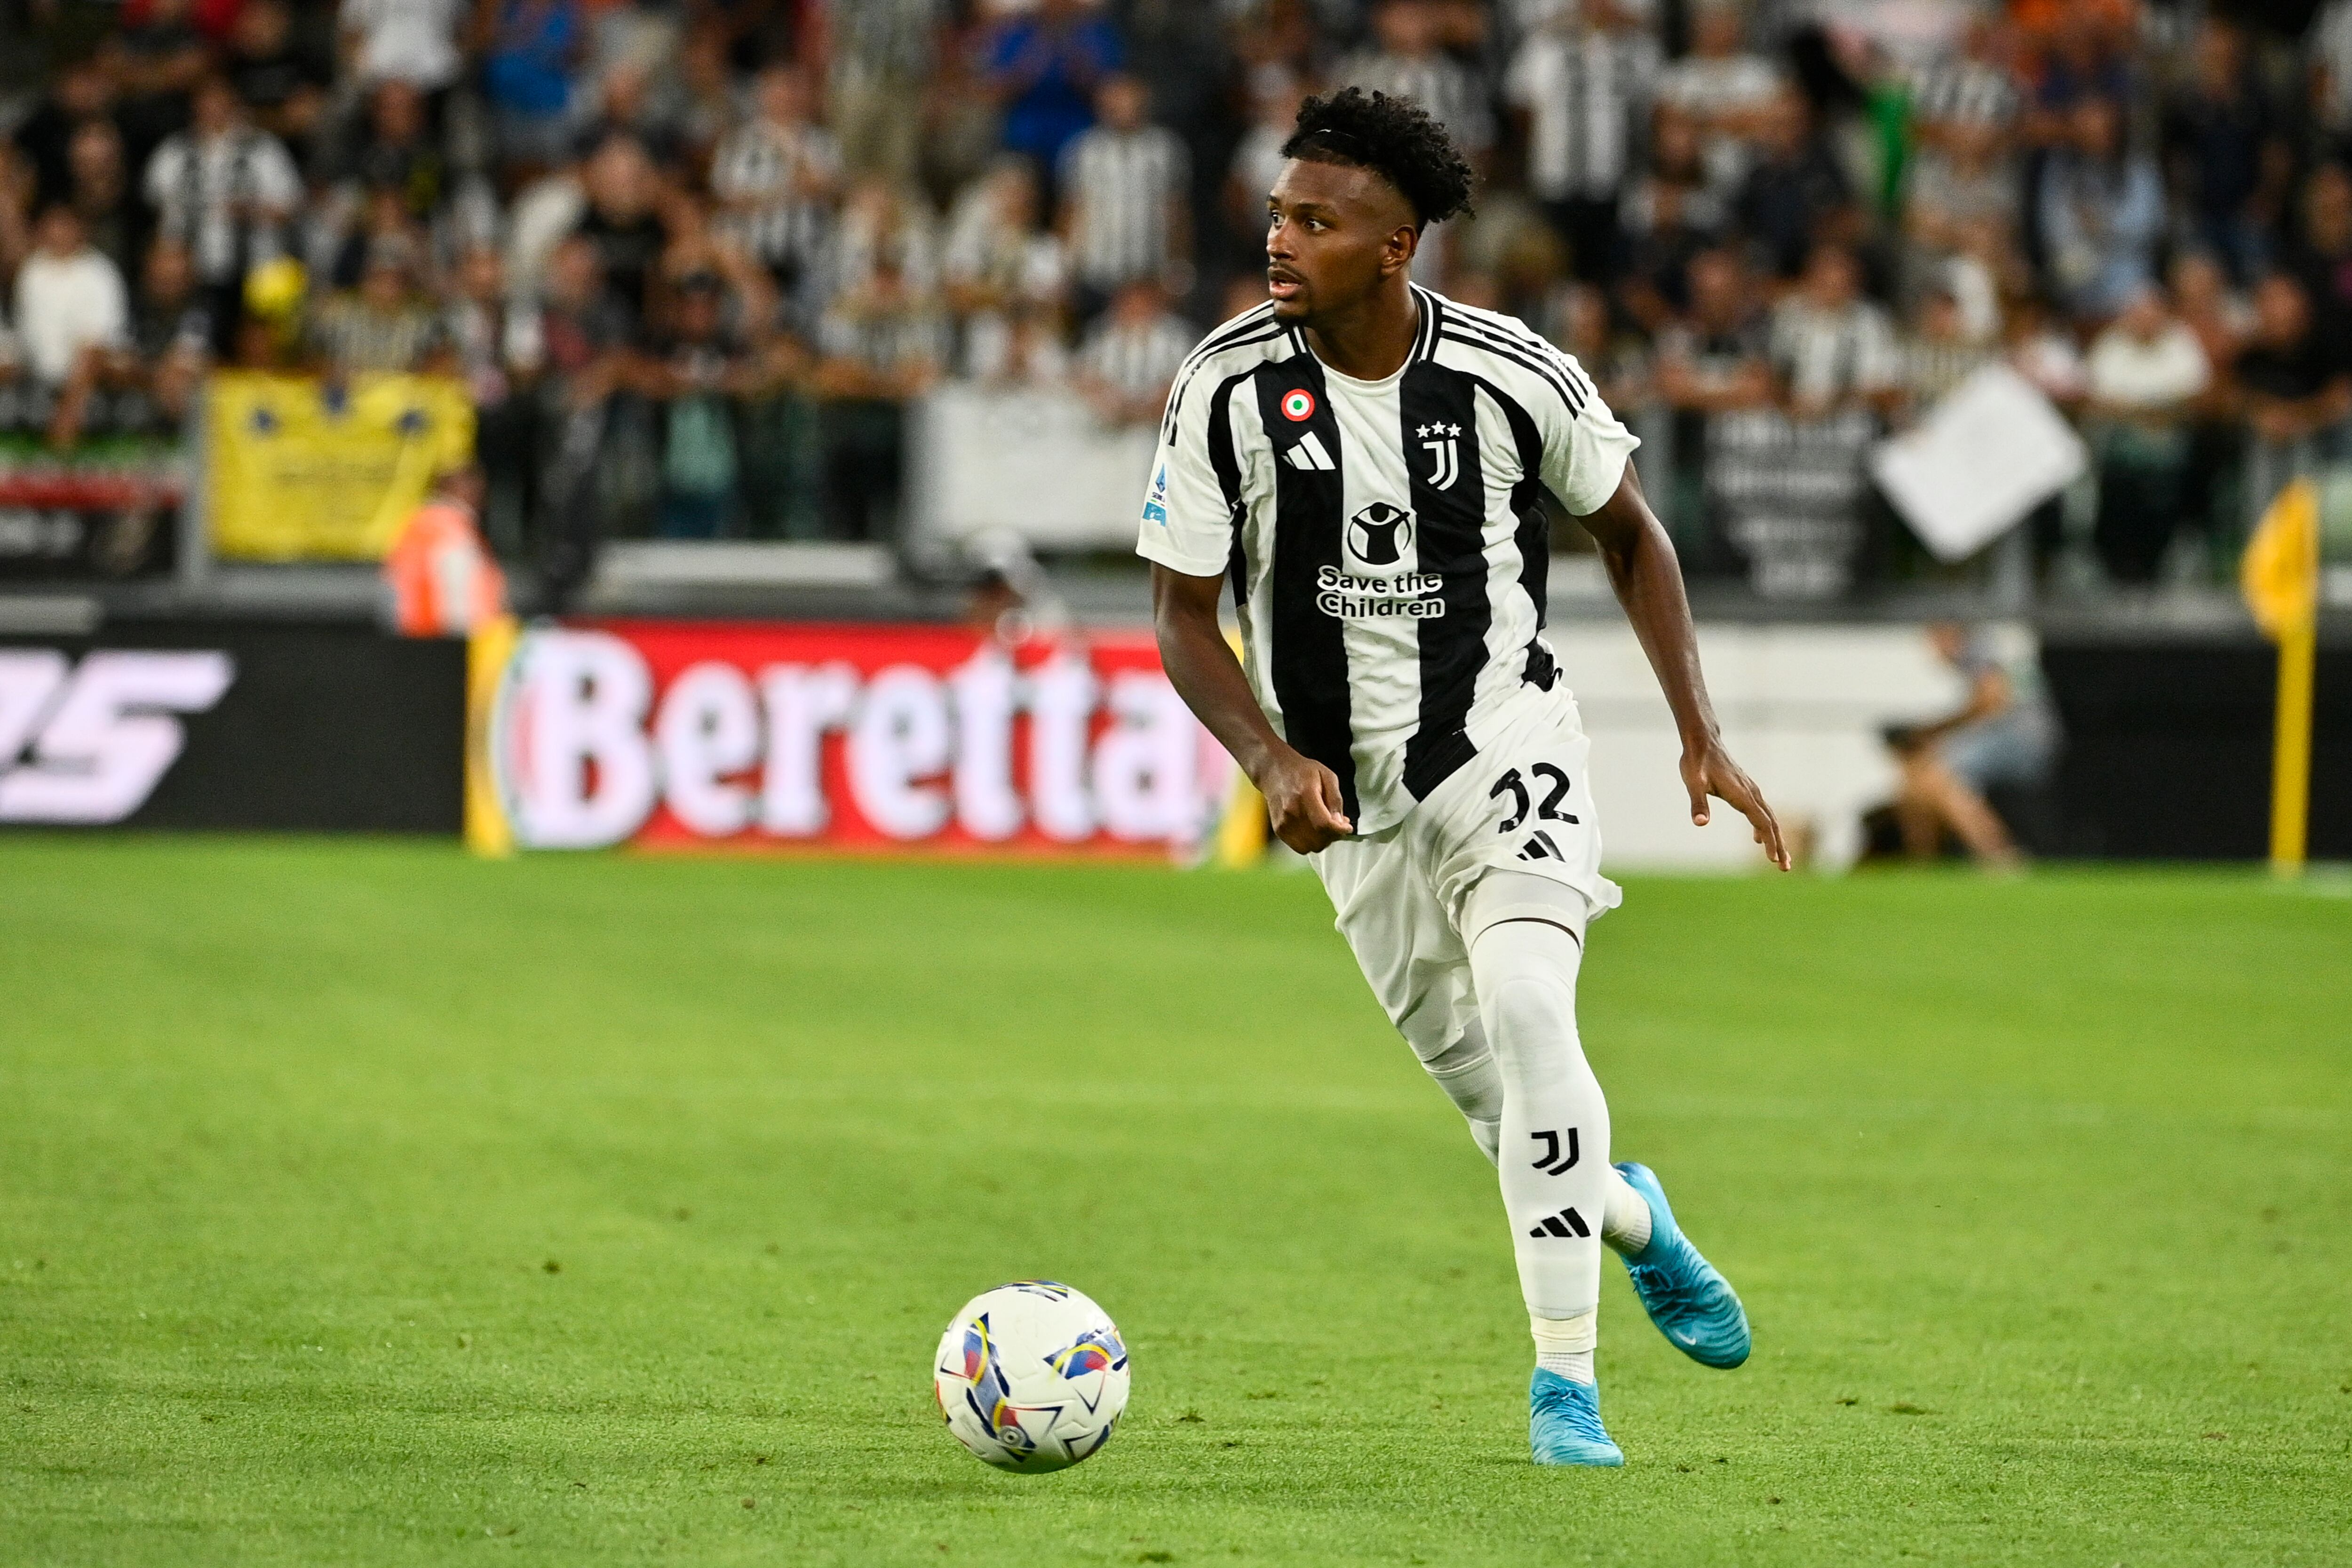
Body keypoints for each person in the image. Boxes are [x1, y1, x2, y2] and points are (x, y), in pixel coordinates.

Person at [1139, 87, 1784, 1469]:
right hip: (1349, 812)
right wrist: (1267, 757)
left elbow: (1631, 534)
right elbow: (1181, 614)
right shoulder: (1222, 388)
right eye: (1277, 214)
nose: (1281, 239)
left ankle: (1567, 1390)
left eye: (1317, 221)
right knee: (1508, 1114)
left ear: (1395, 245)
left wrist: (1699, 731)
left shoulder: (1512, 372)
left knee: (1530, 1006)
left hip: (1502, 744)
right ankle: (1634, 1218)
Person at [1885, 622, 2060, 868]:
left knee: (1938, 774)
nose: (1933, 646)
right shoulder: (1984, 643)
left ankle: (2001, 859)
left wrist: (1932, 731)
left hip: (2025, 739)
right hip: (2016, 735)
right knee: (1915, 774)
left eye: (1935, 636)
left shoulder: (1979, 645)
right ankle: (1922, 865)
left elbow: (1993, 700)